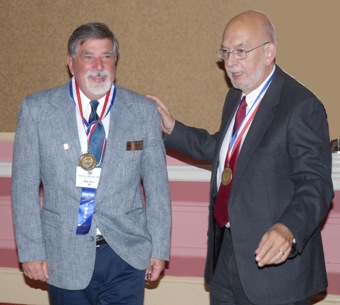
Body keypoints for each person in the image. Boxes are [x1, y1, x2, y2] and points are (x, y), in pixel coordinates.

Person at [148, 10, 333, 305]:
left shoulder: (300, 106)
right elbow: (225, 152)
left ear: (269, 52)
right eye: (225, 52)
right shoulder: (237, 96)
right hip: (227, 256)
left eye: (240, 51)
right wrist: (172, 128)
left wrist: (288, 228)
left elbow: (316, 184)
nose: (230, 62)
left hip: (275, 270)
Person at [11, 22, 171, 305]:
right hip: (63, 254)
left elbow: (158, 188)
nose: (99, 65)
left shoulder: (143, 112)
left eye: (106, 56)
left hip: (125, 252)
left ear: (115, 61)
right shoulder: (36, 110)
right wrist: (31, 251)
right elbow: (23, 188)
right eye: (88, 56)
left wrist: (159, 248)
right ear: (71, 63)